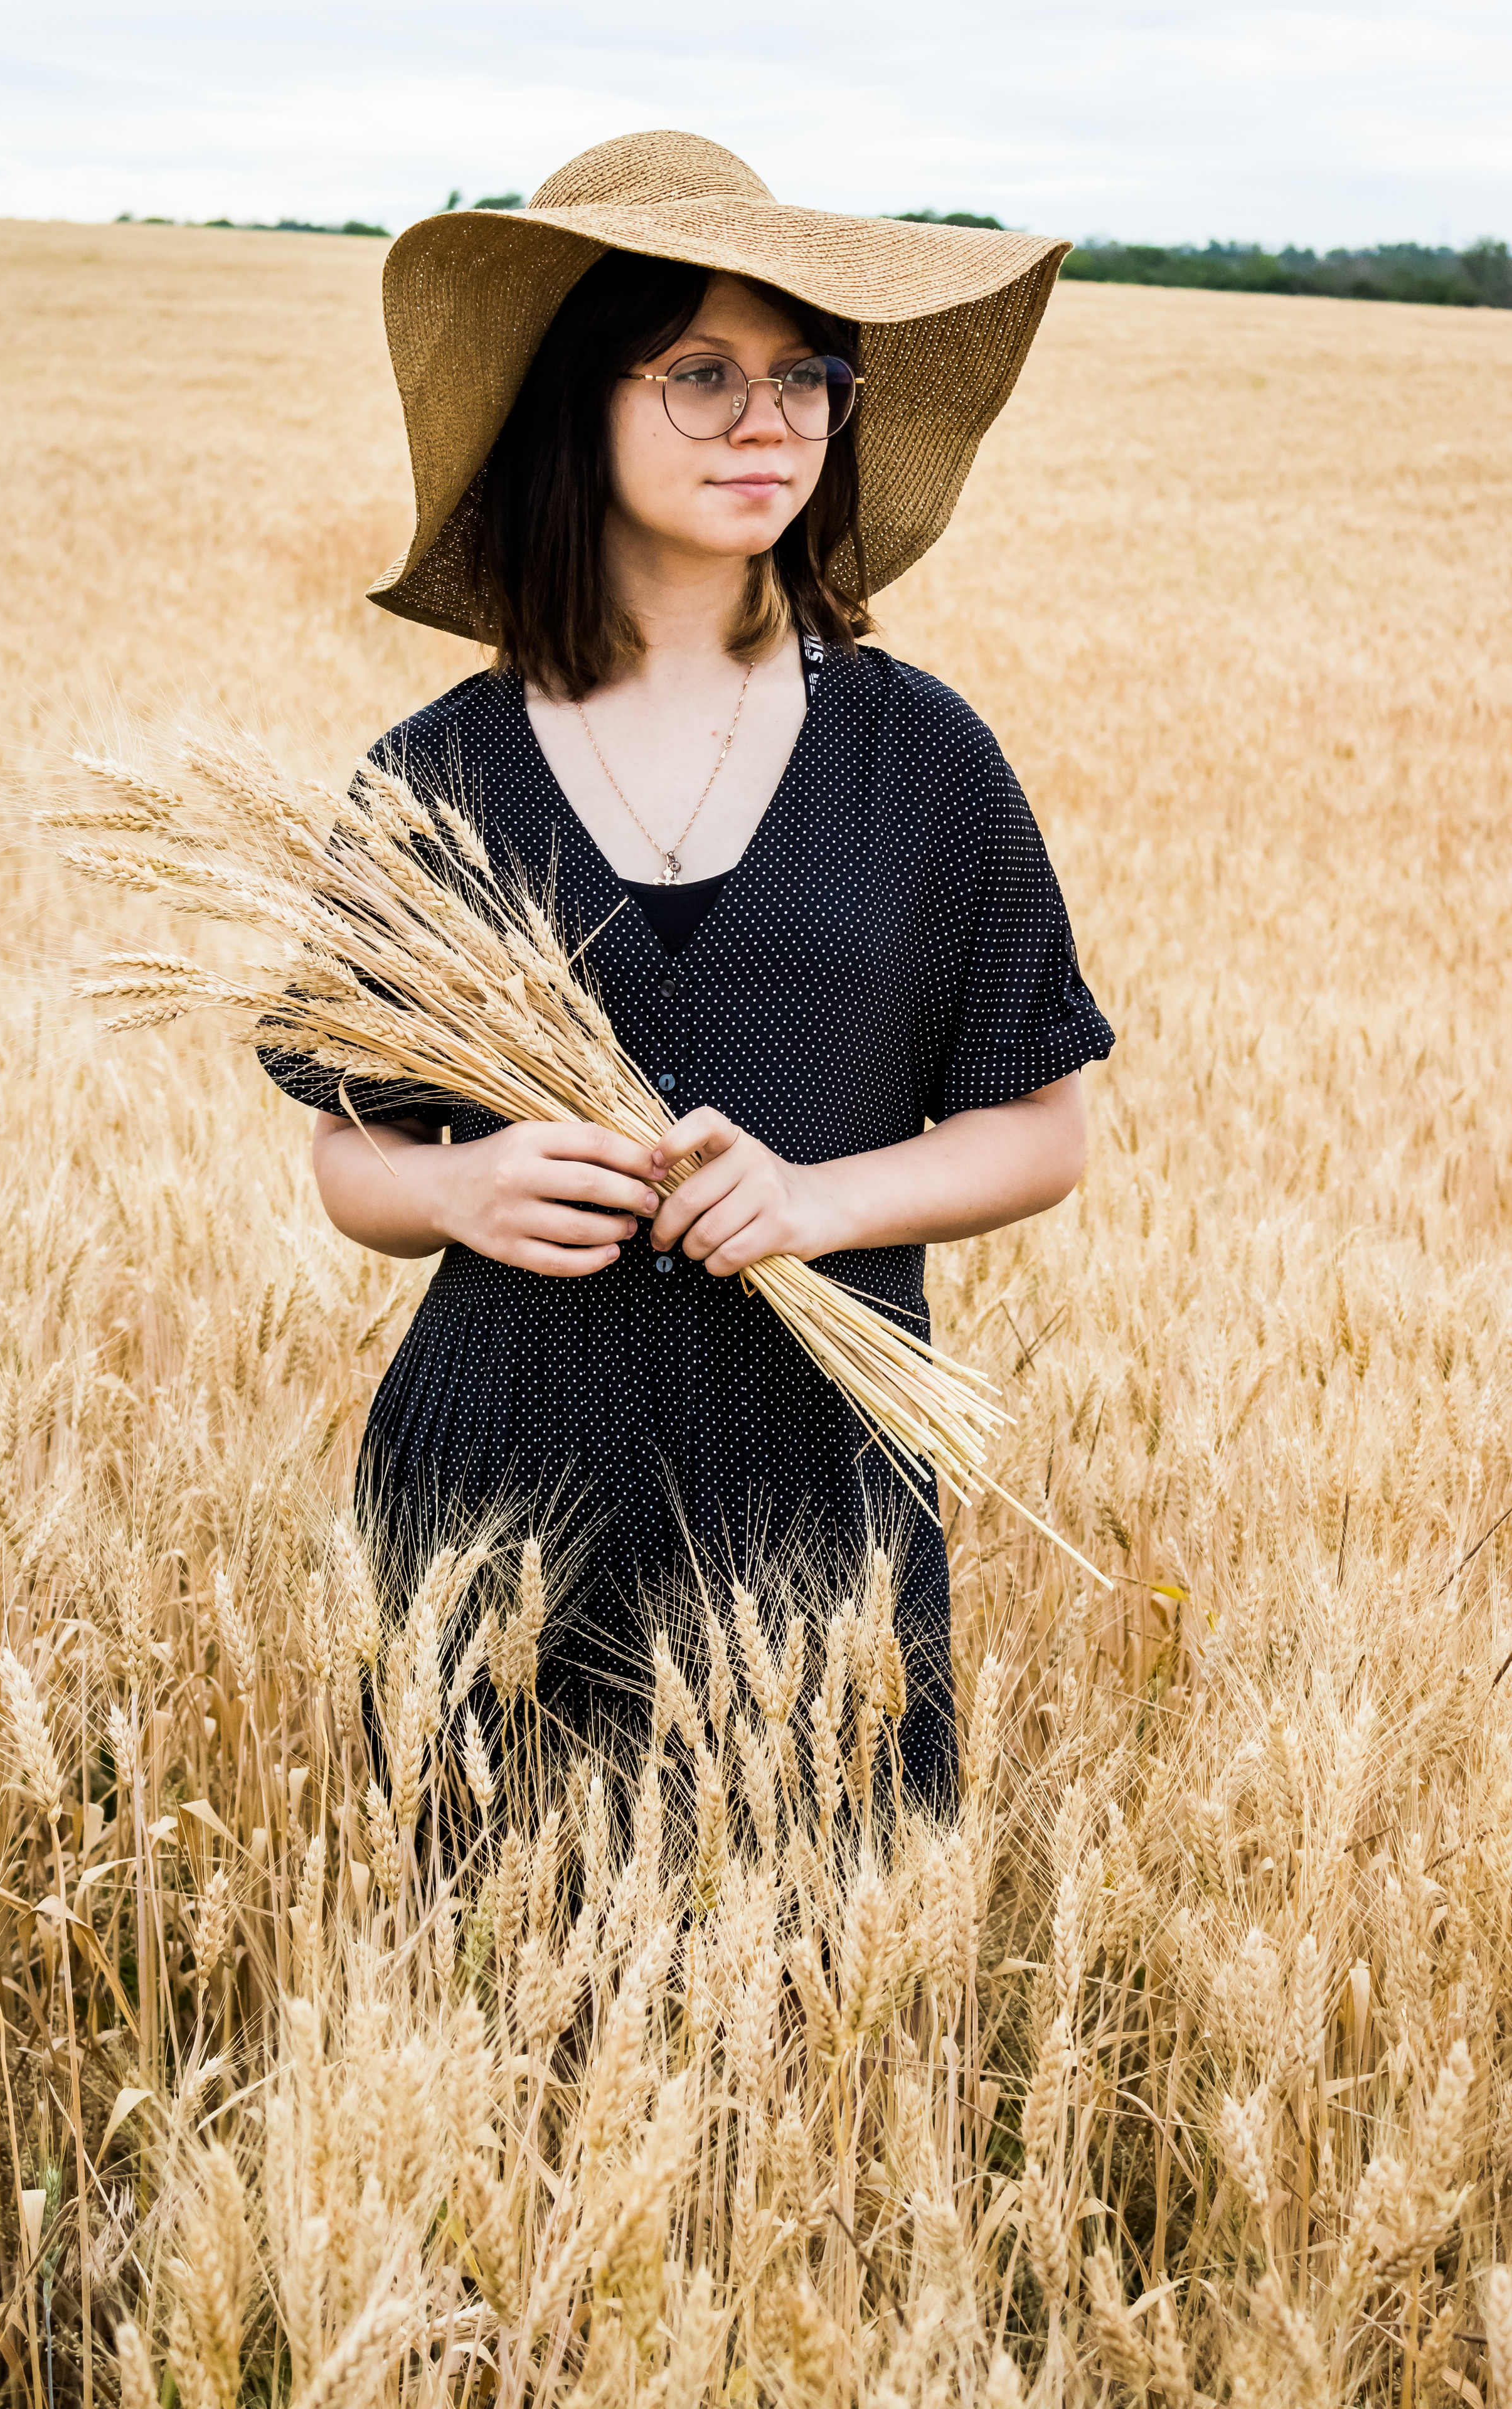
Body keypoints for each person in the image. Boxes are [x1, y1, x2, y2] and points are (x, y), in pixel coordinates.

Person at [263, 131, 1114, 1808]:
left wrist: (815, 1204)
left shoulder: (924, 759)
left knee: (822, 2019)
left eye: (806, 376)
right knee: (502, 2018)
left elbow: (1046, 1129)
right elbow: (349, 1152)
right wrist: (464, 1190)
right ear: (575, 399)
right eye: (701, 373)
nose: (769, 421)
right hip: (497, 1503)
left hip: (821, 1500)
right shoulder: (435, 778)